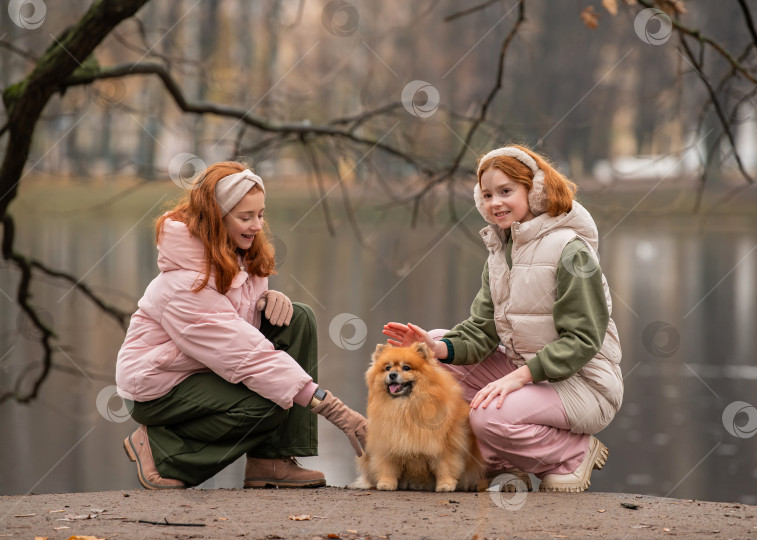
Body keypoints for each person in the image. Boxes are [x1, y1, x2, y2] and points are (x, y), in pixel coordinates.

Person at [383, 144, 622, 493]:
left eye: (506, 191)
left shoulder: (571, 250)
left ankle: (573, 452)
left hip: (584, 386)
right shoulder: (501, 250)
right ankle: (502, 462)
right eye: (487, 195)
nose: (495, 202)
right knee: (429, 363)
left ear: (534, 190)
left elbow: (583, 340)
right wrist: (437, 347)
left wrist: (518, 378)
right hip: (530, 373)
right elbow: (483, 328)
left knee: (488, 416)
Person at [116, 161, 366, 490]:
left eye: (260, 215)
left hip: (205, 370)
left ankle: (272, 460)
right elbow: (248, 357)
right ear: (216, 218)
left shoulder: (242, 257)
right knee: (269, 402)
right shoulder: (184, 284)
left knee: (298, 317)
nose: (257, 225)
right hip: (158, 386)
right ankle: (161, 451)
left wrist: (268, 302)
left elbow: (242, 334)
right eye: (245, 217)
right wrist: (338, 412)